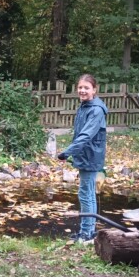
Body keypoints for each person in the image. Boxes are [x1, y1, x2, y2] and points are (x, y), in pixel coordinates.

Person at [57, 74, 108, 245]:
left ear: (94, 89)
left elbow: (86, 136)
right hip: (86, 154)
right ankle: (89, 231)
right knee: (88, 193)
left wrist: (67, 152)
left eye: (86, 88)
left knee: (85, 194)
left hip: (90, 156)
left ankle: (86, 233)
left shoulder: (96, 110)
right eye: (80, 87)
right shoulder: (85, 106)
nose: (82, 90)